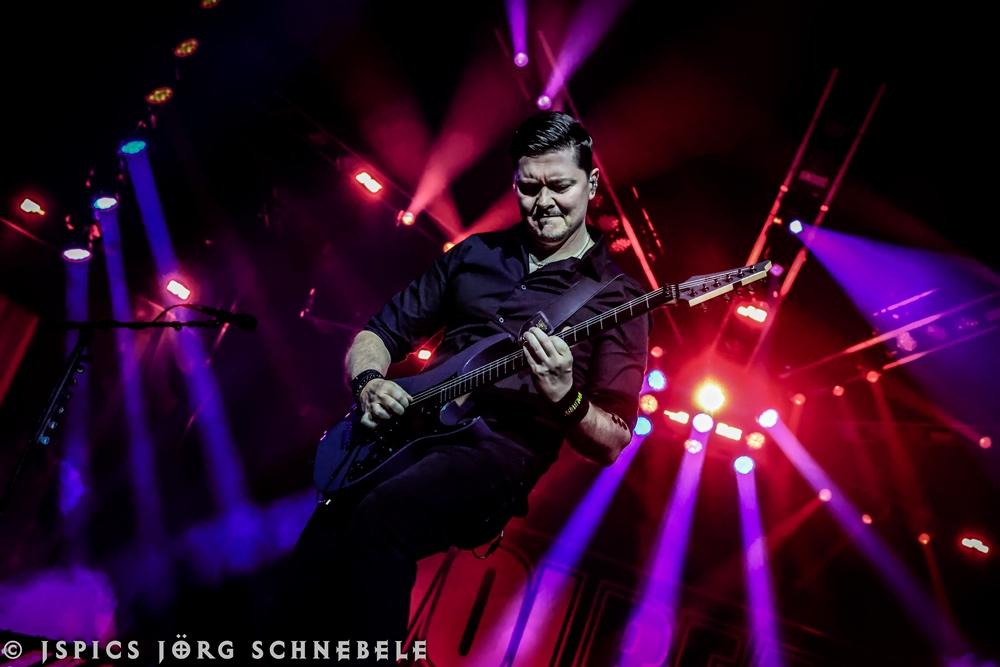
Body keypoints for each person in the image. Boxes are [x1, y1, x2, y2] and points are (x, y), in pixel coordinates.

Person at [262, 110, 652, 661]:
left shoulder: (618, 298)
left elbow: (611, 440)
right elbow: (376, 335)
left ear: (590, 185)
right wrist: (370, 383)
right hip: (410, 434)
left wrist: (566, 396)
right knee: (314, 560)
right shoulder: (475, 255)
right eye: (529, 187)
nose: (543, 202)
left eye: (560, 186)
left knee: (386, 518)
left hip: (499, 452)